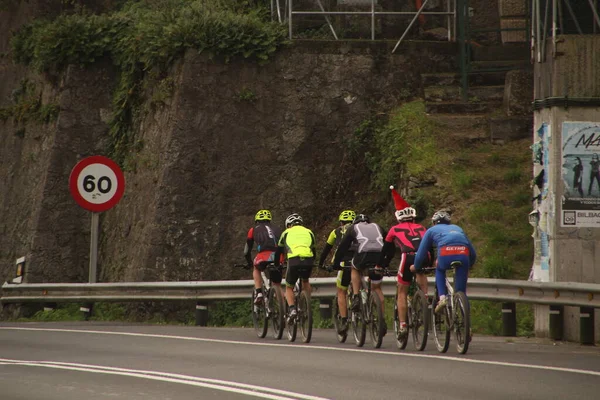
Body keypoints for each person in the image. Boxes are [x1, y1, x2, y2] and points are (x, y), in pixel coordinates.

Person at [379, 187, 432, 338]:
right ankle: (425, 298)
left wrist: (380, 265)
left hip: (407, 256)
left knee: (402, 291)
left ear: (398, 217)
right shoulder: (422, 227)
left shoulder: (394, 229)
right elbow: (429, 246)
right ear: (413, 216)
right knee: (420, 271)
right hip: (425, 255)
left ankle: (403, 326)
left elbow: (387, 251)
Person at [411, 210, 477, 314]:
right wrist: (470, 264)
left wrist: (416, 266)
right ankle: (467, 325)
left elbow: (421, 252)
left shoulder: (431, 230)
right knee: (461, 292)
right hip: (463, 253)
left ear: (434, 222)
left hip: (445, 253)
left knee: (440, 269)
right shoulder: (458, 228)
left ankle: (442, 298)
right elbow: (472, 252)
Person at [333, 213, 387, 334]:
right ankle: (382, 321)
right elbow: (388, 242)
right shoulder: (377, 227)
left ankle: (356, 296)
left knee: (355, 268)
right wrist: (386, 261)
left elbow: (342, 247)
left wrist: (336, 263)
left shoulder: (354, 228)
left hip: (363, 254)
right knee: (377, 288)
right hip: (379, 255)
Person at [318, 210, 357, 334]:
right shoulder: (359, 229)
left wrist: (321, 263)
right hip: (359, 261)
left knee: (341, 291)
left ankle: (344, 321)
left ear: (341, 222)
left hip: (343, 263)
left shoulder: (335, 232)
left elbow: (327, 249)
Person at [274, 213, 316, 324]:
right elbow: (314, 250)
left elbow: (278, 251)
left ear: (288, 225)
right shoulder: (309, 232)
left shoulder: (286, 232)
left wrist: (277, 265)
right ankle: (307, 303)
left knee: (289, 287)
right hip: (308, 259)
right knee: (305, 280)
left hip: (293, 260)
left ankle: (292, 309)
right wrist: (313, 262)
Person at [244, 209, 283, 305]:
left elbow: (246, 251)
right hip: (279, 256)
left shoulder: (253, 230)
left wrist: (249, 262)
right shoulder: (278, 229)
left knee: (256, 268)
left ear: (256, 220)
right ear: (270, 219)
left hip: (263, 256)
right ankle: (284, 312)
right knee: (277, 284)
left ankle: (259, 293)